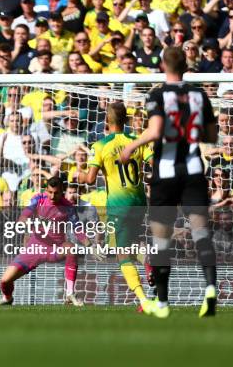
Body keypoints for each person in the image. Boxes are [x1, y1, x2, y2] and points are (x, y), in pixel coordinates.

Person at [121, 47, 218, 319]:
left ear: (164, 64)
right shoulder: (200, 94)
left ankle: (162, 303)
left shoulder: (157, 94)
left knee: (161, 239)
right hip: (194, 168)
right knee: (201, 232)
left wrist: (131, 147)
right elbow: (211, 134)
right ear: (186, 64)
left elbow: (155, 130)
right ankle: (210, 289)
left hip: (165, 172)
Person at [77, 102, 154, 314]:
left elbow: (91, 180)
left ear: (106, 122)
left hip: (118, 206)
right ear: (126, 121)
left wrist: (80, 174)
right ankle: (149, 265)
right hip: (139, 201)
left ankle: (143, 299)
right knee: (135, 242)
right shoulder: (137, 142)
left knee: (121, 252)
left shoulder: (100, 146)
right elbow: (153, 162)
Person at [0, 177, 103, 306]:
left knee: (71, 248)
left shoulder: (68, 207)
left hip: (55, 248)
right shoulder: (38, 200)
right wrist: (33, 222)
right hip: (35, 248)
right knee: (5, 281)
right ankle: (7, 298)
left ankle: (70, 293)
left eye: (56, 193)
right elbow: (22, 218)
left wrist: (91, 246)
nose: (52, 196)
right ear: (46, 190)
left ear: (62, 192)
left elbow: (77, 229)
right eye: (50, 192)